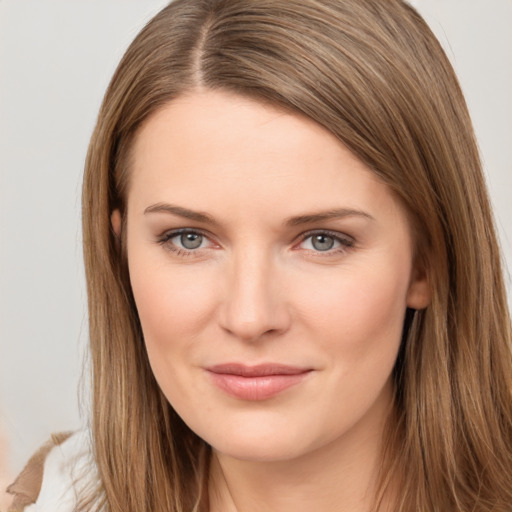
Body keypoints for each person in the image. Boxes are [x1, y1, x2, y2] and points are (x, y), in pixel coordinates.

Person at [7, 0, 512, 511]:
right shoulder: (50, 498)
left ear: (426, 260)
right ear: (120, 253)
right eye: (188, 238)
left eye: (322, 240)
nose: (249, 317)